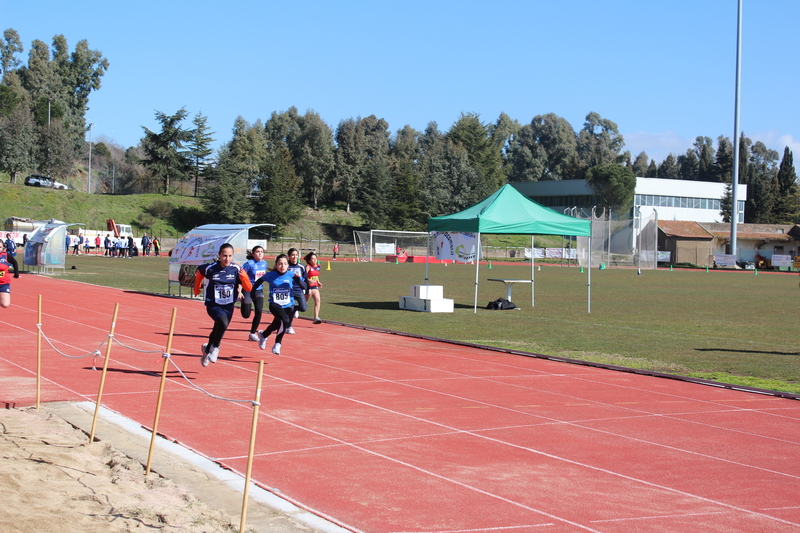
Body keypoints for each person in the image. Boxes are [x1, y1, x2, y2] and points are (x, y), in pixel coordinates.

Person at [193, 243, 252, 367]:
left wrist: (244, 277)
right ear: (219, 255)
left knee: (218, 328)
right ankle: (216, 347)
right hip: (213, 304)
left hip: (228, 305)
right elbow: (199, 272)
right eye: (224, 255)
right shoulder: (211, 268)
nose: (227, 259)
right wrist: (197, 287)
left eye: (230, 256)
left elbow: (248, 287)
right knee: (223, 323)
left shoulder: (236, 269)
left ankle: (206, 349)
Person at [250, 254, 305, 355]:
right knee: (285, 321)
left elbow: (304, 286)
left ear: (287, 265)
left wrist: (299, 281)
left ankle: (263, 335)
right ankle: (277, 344)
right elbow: (259, 281)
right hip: (275, 304)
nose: (282, 266)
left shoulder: (292, 275)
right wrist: (253, 291)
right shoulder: (270, 275)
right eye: (280, 264)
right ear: (276, 265)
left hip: (288, 305)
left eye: (284, 264)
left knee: (276, 325)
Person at [241, 246, 268, 341]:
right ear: (253, 254)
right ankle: (244, 303)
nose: (260, 253)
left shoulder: (264, 263)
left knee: (259, 311)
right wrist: (239, 289)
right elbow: (241, 276)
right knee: (246, 315)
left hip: (258, 290)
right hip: (248, 289)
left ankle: (252, 333)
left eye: (262, 251)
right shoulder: (249, 264)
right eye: (257, 251)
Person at [285, 248, 307, 334]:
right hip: (289, 291)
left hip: (299, 290)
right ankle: (289, 327)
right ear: (289, 256)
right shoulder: (286, 267)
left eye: (296, 255)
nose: (295, 257)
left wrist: (307, 289)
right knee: (290, 309)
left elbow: (305, 279)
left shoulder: (301, 267)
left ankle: (294, 309)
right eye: (293, 255)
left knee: (303, 308)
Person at [0, 240, 20, 308]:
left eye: (0, 247)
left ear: (2, 248)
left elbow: (14, 262)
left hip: (4, 283)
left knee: (5, 304)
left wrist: (16, 274)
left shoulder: (5, 255)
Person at [304, 252, 323, 324]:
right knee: (304, 305)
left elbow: (316, 276)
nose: (315, 260)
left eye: (315, 258)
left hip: (314, 287)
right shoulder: (308, 267)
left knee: (317, 300)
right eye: (312, 259)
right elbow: (304, 276)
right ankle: (294, 311)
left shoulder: (318, 266)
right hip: (307, 287)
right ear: (309, 260)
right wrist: (309, 280)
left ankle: (316, 317)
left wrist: (318, 282)